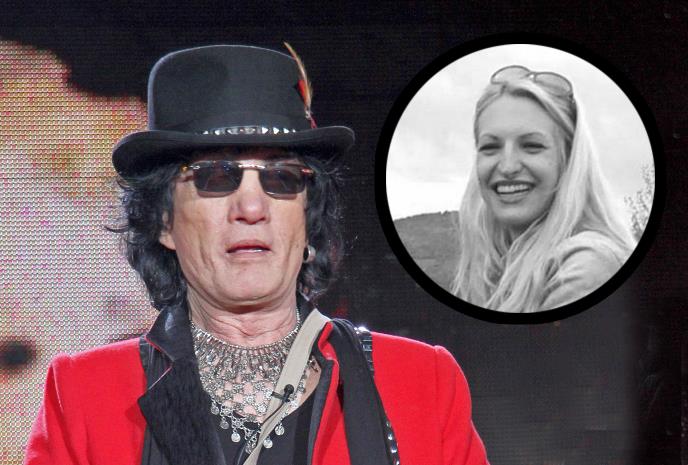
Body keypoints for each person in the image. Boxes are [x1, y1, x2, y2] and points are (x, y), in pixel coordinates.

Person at [24, 44, 488, 465]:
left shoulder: (422, 383)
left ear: (307, 219)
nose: (251, 208)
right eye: (214, 177)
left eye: (281, 177)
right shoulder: (84, 395)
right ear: (164, 221)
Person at [451, 65, 636, 312]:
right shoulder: (493, 270)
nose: (507, 166)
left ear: (569, 159)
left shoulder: (586, 264)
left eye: (532, 146)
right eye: (490, 147)